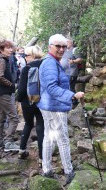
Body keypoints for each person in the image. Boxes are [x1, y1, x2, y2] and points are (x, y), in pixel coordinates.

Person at [37, 34, 84, 184]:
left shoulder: (51, 61)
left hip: (48, 105)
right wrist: (72, 95)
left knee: (49, 138)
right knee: (62, 139)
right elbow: (51, 87)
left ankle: (47, 169)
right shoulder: (50, 63)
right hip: (54, 106)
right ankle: (69, 171)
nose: (62, 49)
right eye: (58, 46)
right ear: (50, 46)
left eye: (64, 46)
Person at [16, 45, 45, 167]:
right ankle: (42, 158)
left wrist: (18, 99)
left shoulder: (26, 69)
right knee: (40, 126)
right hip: (42, 101)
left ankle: (21, 151)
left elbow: (22, 90)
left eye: (26, 55)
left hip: (27, 102)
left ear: (32, 56)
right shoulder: (45, 67)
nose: (24, 58)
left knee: (28, 124)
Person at [0, 39, 20, 152]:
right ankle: (8, 142)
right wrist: (11, 84)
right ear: (1, 49)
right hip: (3, 93)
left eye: (11, 47)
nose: (11, 50)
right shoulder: (2, 60)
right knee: (14, 118)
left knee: (1, 117)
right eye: (8, 48)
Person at [60, 37, 83, 107]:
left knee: (71, 87)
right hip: (64, 72)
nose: (66, 43)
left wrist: (73, 61)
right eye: (65, 42)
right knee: (65, 87)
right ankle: (68, 101)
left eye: (67, 42)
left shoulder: (75, 50)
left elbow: (80, 59)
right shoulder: (64, 50)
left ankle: (75, 102)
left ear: (71, 43)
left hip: (72, 72)